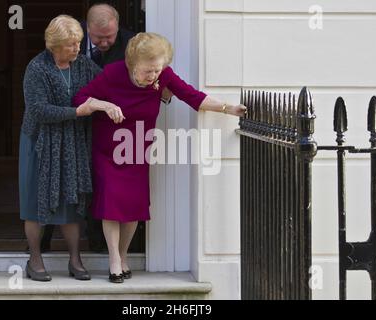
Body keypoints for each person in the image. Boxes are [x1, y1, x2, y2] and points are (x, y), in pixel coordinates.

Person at [73, 32, 247, 283]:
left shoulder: (162, 75)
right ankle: (113, 260)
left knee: (133, 207)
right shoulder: (112, 74)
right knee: (111, 204)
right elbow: (79, 99)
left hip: (137, 149)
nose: (153, 76)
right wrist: (104, 105)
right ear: (132, 64)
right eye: (148, 71)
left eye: (157, 70)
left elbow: (191, 96)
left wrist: (227, 108)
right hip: (109, 150)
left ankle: (123, 256)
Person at [41, 3, 172, 253]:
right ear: (86, 27)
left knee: (106, 189)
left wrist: (160, 92)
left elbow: (151, 78)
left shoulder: (131, 43)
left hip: (112, 130)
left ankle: (99, 247)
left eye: (109, 37)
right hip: (72, 121)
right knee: (61, 180)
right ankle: (43, 242)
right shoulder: (68, 40)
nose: (104, 42)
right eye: (98, 38)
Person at [19, 15, 102, 281]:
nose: (77, 48)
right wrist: (78, 111)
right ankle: (35, 259)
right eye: (70, 44)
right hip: (39, 143)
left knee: (72, 200)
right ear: (54, 45)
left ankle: (75, 259)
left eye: (78, 42)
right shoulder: (37, 68)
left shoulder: (84, 66)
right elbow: (38, 109)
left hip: (72, 142)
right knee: (34, 201)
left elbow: (110, 84)